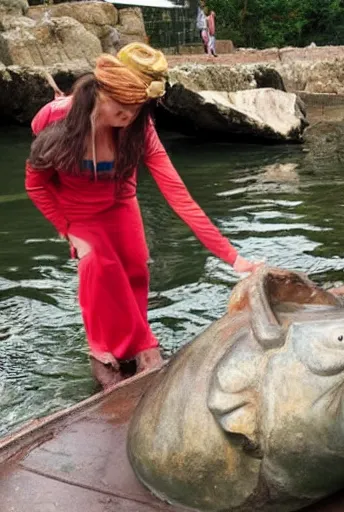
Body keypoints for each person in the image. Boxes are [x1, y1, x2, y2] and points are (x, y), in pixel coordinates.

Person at [25, 42, 260, 389]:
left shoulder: (139, 126)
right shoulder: (58, 116)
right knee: (99, 267)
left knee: (136, 265)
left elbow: (178, 195)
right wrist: (68, 230)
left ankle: (135, 343)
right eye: (124, 109)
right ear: (104, 91)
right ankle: (112, 349)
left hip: (121, 200)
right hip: (78, 209)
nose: (131, 117)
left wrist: (232, 257)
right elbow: (37, 178)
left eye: (140, 108)